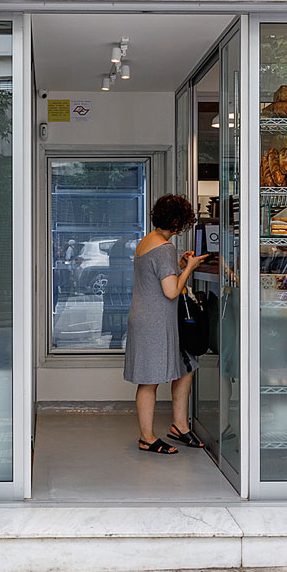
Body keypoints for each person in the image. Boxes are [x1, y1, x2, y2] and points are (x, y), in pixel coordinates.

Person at [124, 194, 209, 454]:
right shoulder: (164, 248)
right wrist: (190, 267)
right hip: (155, 321)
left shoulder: (146, 241)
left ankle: (179, 425)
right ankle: (147, 438)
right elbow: (171, 291)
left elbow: (159, 277)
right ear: (177, 222)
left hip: (146, 318)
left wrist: (179, 265)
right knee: (149, 381)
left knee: (186, 366)